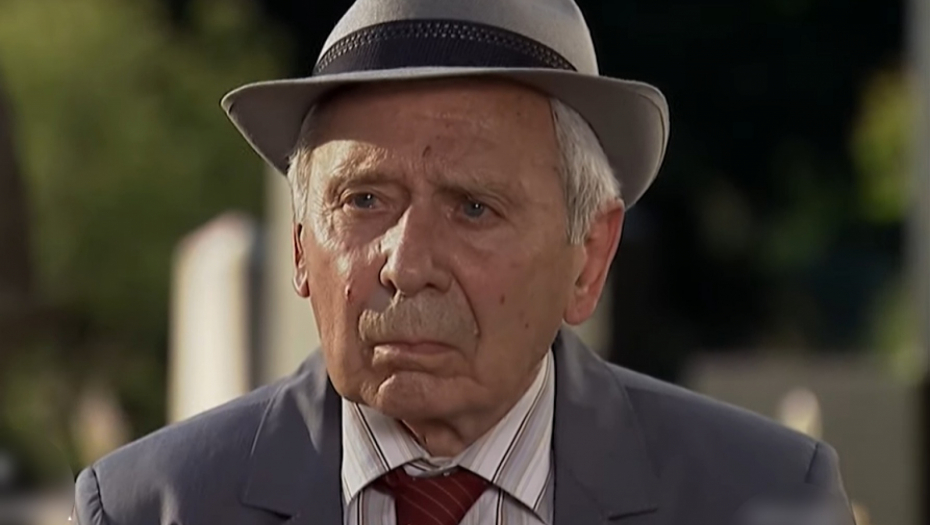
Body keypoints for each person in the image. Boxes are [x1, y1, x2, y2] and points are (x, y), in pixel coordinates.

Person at [73, 0, 853, 524]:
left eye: (474, 207)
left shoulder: (762, 499)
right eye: (364, 200)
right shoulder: (155, 507)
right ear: (302, 246)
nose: (407, 263)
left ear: (588, 258)